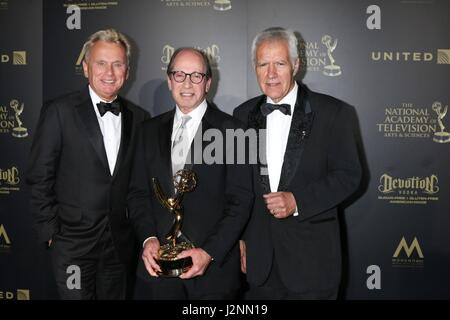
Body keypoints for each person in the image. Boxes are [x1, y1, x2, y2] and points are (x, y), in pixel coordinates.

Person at [233, 27, 362, 299]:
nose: (270, 74)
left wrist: (297, 201)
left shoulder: (334, 113)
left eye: (279, 64)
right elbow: (239, 186)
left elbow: (349, 175)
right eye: (263, 64)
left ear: (296, 65)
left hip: (312, 265)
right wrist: (241, 238)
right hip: (260, 265)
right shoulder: (242, 114)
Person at [26, 29, 150, 299]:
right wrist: (52, 234)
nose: (110, 72)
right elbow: (39, 176)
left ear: (127, 71)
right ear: (85, 68)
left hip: (118, 247)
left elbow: (137, 185)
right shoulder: (60, 111)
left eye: (118, 64)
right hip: (72, 246)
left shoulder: (139, 118)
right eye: (101, 63)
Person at [128, 47, 253, 299]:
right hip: (158, 273)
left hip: (213, 274)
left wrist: (209, 251)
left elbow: (241, 201)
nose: (187, 83)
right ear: (169, 80)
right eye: (180, 75)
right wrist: (148, 238)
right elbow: (137, 194)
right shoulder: (147, 131)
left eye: (196, 75)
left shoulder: (234, 131)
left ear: (208, 83)